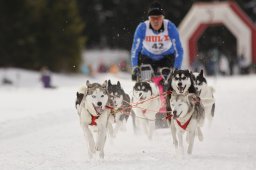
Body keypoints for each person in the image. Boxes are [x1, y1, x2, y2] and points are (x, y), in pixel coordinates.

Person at [131, 1, 184, 81]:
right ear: (149, 19)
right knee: (146, 79)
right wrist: (135, 67)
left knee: (167, 80)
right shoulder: (142, 28)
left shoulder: (170, 27)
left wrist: (177, 68)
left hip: (166, 57)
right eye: (153, 18)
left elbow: (179, 49)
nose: (156, 21)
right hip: (148, 57)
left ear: (162, 18)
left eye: (158, 18)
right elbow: (135, 49)